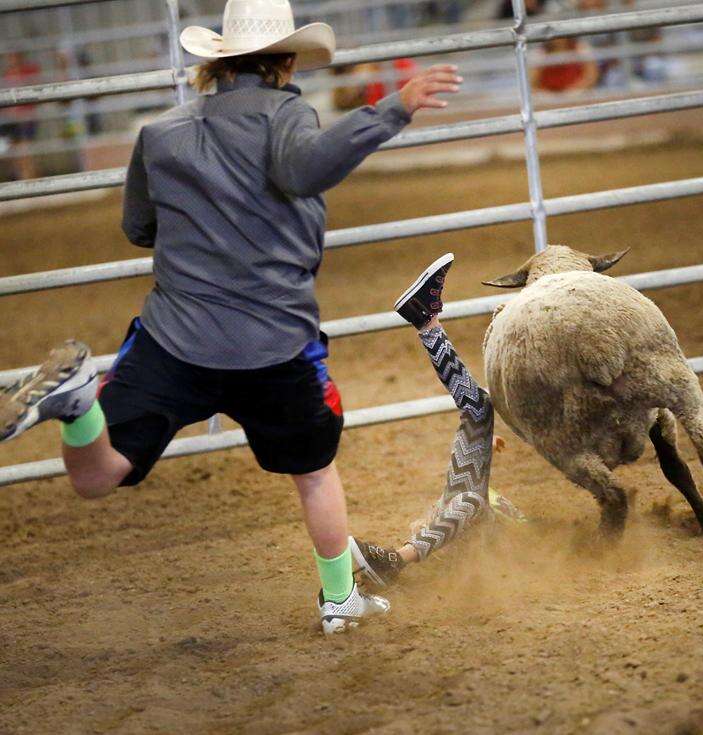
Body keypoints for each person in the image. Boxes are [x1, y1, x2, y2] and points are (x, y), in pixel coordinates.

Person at [0, 0, 462, 635]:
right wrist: (394, 108)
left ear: (216, 61)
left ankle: (79, 407)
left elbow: (139, 228)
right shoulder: (288, 114)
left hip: (174, 338)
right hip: (274, 341)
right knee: (314, 470)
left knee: (100, 476)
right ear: (287, 60)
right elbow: (306, 168)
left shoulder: (158, 135)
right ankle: (338, 599)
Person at [349, 254, 527, 587]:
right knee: (478, 408)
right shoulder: (474, 507)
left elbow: (502, 531)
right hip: (467, 529)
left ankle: (395, 561)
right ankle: (425, 320)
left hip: (476, 545)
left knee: (471, 498)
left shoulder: (517, 535)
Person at [2, 52, 41, 180]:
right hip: (11, 120)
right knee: (16, 154)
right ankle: (23, 180)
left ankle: (30, 180)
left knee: (25, 153)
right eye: (10, 57)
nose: (12, 60)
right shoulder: (7, 74)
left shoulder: (29, 71)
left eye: (14, 56)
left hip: (26, 118)